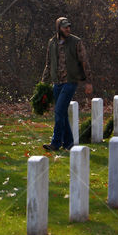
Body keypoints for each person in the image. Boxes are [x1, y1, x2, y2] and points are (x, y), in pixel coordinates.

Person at [41, 17, 93, 151]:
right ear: (59, 28)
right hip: (56, 83)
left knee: (58, 111)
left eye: (69, 27)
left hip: (70, 82)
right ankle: (69, 143)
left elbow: (84, 62)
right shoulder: (52, 42)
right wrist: (43, 83)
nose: (68, 29)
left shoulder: (76, 42)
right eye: (65, 27)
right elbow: (48, 64)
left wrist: (88, 82)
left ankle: (56, 143)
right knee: (62, 114)